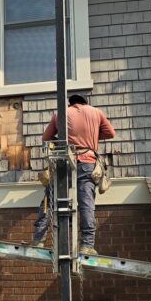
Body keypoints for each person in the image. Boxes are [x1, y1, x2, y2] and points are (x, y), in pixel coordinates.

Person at [32, 94, 116, 255]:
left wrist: (62, 139)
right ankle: (87, 245)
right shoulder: (96, 112)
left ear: (71, 103)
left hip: (64, 162)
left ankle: (39, 239)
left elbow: (46, 138)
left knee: (50, 199)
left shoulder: (61, 114)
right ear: (85, 103)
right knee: (86, 204)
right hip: (87, 163)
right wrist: (92, 136)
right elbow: (110, 133)